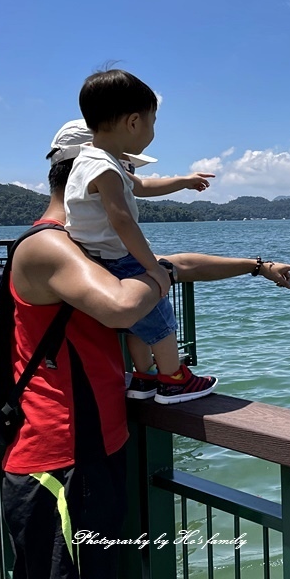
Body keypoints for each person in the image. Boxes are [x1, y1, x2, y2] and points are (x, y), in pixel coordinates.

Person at [2, 124, 290, 579]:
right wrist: (158, 274)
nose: (127, 180)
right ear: (90, 172)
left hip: (96, 445)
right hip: (61, 461)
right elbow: (125, 303)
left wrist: (256, 266)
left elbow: (174, 265)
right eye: (122, 169)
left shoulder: (89, 250)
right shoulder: (48, 246)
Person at [65, 69, 216, 404]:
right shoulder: (105, 169)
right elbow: (122, 222)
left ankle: (144, 376)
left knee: (137, 321)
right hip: (118, 258)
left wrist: (184, 181)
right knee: (159, 312)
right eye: (153, 121)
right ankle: (174, 378)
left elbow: (143, 186)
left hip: (95, 259)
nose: (152, 130)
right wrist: (154, 269)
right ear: (134, 122)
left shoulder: (92, 160)